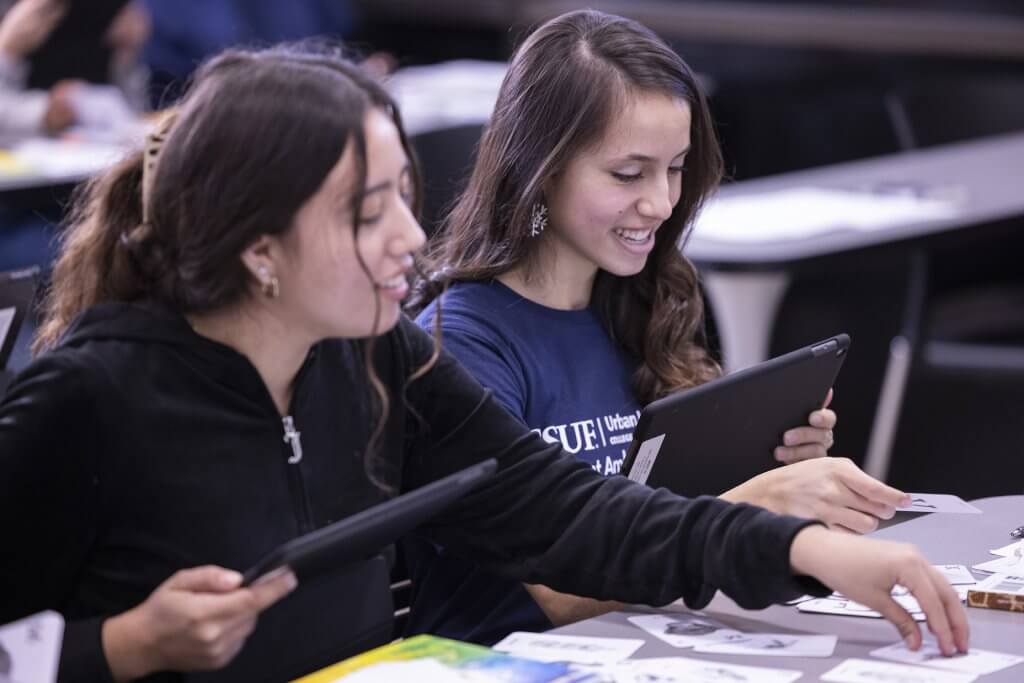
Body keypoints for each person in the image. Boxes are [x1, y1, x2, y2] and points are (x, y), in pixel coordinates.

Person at [0, 45, 967, 682]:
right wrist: (121, 647)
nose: (410, 239)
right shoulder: (90, 396)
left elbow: (570, 512)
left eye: (404, 200)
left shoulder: (380, 359)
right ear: (260, 249)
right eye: (367, 212)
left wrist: (799, 549)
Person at [407, 9, 915, 643]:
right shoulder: (460, 344)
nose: (661, 202)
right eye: (628, 174)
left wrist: (763, 466)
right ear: (539, 170)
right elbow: (562, 595)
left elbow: (666, 525)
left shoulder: (641, 302)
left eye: (675, 168)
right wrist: (763, 503)